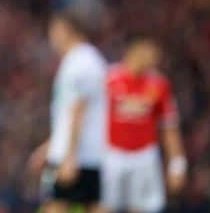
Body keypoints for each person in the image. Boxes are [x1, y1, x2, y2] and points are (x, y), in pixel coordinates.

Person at [27, 11, 107, 213]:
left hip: (78, 155)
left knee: (55, 206)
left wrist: (69, 155)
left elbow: (79, 110)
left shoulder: (82, 62)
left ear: (66, 30)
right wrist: (49, 147)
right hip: (85, 154)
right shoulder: (82, 60)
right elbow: (68, 115)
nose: (51, 37)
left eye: (54, 30)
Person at [102, 36, 186, 213]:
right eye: (150, 51)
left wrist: (177, 164)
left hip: (145, 156)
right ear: (134, 50)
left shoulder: (159, 84)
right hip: (112, 154)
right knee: (104, 206)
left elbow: (169, 127)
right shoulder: (108, 78)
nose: (155, 58)